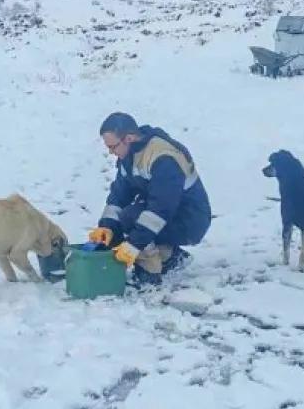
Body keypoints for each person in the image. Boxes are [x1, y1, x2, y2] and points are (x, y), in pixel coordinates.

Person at [88, 112, 212, 287]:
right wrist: (107, 227)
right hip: (167, 214)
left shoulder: (164, 159)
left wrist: (133, 245)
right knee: (124, 220)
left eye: (113, 147)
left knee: (133, 219)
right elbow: (119, 194)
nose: (111, 152)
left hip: (190, 219)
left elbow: (159, 210)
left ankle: (149, 275)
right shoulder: (130, 155)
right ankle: (171, 257)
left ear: (128, 138)